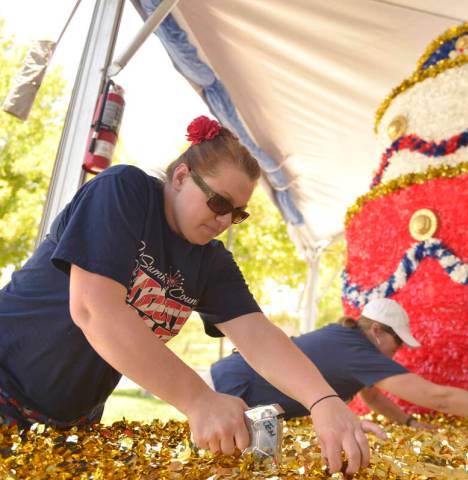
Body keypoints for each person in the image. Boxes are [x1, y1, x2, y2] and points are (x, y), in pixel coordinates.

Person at [0, 116, 380, 475]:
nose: (225, 220)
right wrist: (199, 400)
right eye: (219, 203)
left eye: (238, 214)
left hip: (68, 420)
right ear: (181, 176)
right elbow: (93, 309)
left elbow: (258, 337)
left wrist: (323, 401)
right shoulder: (124, 191)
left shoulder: (211, 262)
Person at [211, 298, 468, 437]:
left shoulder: (344, 339)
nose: (397, 354)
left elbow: (371, 396)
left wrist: (410, 422)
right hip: (233, 396)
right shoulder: (356, 349)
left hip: (240, 390)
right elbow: (441, 398)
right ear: (376, 331)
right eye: (397, 343)